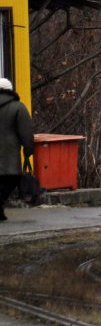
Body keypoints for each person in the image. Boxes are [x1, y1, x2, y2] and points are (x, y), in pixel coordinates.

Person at [0, 77, 34, 221]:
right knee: (12, 179)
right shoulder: (18, 107)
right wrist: (28, 151)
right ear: (11, 90)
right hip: (9, 155)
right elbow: (26, 132)